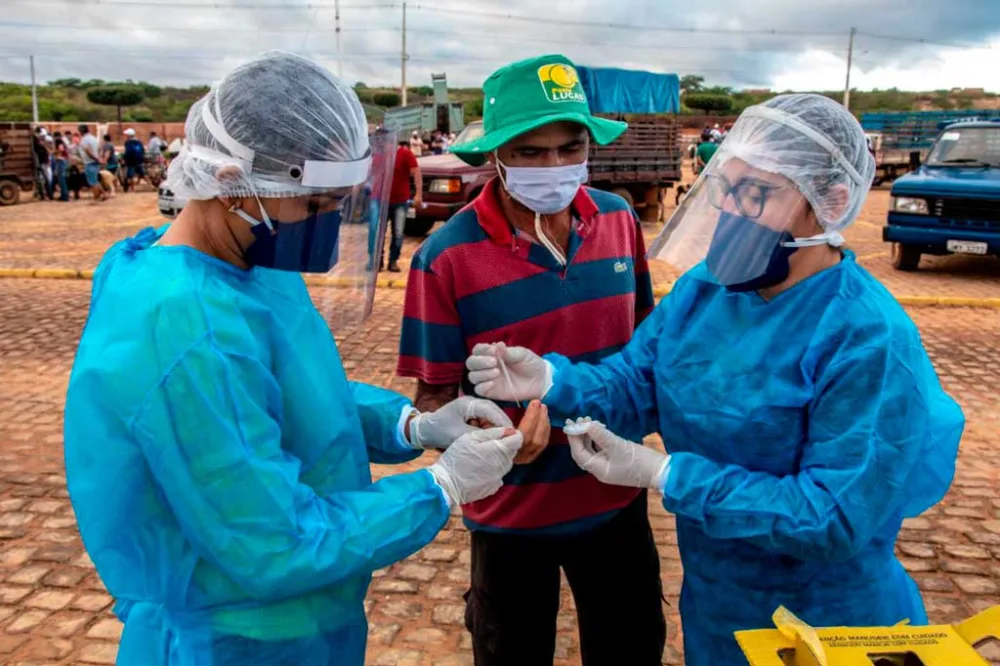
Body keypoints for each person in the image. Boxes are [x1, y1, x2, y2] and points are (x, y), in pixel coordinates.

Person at [465, 94, 965, 666]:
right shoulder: (707, 291)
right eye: (727, 188)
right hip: (719, 607)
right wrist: (554, 379)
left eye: (758, 195)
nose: (732, 211)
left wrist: (669, 473)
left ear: (831, 201)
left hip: (829, 622)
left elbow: (834, 518)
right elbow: (636, 384)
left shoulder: (864, 333)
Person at [64, 50, 524, 666]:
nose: (328, 223)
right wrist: (438, 487)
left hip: (307, 619)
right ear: (231, 184)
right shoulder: (187, 326)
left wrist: (406, 426)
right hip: (238, 634)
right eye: (313, 205)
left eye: (338, 202)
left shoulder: (247, 261)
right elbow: (271, 543)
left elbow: (295, 389)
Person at [398, 54, 664, 666]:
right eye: (530, 152)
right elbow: (433, 400)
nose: (554, 167)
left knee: (632, 649)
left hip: (616, 496)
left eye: (570, 148)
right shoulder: (444, 257)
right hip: (510, 515)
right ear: (496, 156)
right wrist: (497, 436)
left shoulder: (620, 221)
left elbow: (645, 349)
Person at [384, 138, 422, 272]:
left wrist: (418, 194)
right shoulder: (378, 154)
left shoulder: (404, 154)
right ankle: (377, 261)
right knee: (377, 234)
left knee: (398, 233)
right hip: (380, 200)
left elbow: (416, 172)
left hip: (400, 200)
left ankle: (393, 261)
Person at [77, 124, 105, 202]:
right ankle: (103, 194)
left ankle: (96, 198)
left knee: (92, 182)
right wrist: (99, 158)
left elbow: (88, 151)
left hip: (90, 162)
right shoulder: (94, 138)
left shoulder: (84, 140)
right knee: (95, 180)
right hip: (95, 161)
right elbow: (99, 148)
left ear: (81, 131)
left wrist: (96, 159)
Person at [32, 127, 54, 200]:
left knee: (43, 180)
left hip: (42, 162)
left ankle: (47, 195)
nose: (43, 138)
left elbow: (48, 153)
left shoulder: (40, 143)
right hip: (41, 163)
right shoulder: (37, 142)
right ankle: (46, 195)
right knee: (44, 180)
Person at [52, 132, 70, 202]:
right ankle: (64, 195)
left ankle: (65, 196)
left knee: (62, 180)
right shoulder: (62, 142)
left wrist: (54, 152)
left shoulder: (59, 142)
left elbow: (61, 150)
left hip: (61, 161)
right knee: (61, 180)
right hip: (62, 161)